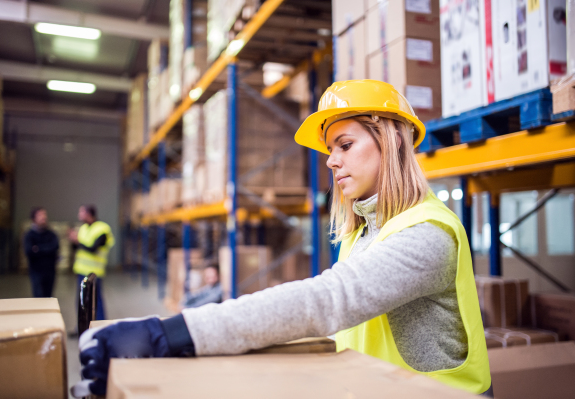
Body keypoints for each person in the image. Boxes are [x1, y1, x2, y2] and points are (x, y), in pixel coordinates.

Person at [72, 80, 492, 398]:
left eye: (345, 144)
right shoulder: (363, 234)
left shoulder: (427, 235)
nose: (331, 160)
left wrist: (173, 334)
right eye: (330, 149)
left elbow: (328, 301)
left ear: (391, 140)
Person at [69, 205, 114, 321]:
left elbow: (94, 248)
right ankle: (82, 325)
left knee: (95, 300)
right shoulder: (83, 228)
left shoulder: (102, 229)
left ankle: (99, 325)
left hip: (94, 272)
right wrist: (73, 241)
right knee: (81, 300)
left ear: (89, 214)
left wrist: (77, 242)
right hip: (81, 270)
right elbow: (78, 247)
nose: (79, 215)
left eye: (81, 212)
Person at [24, 207, 59, 298]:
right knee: (38, 296)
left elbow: (55, 247)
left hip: (50, 270)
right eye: (40, 215)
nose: (43, 217)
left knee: (48, 296)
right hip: (36, 271)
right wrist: (46, 249)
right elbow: (29, 251)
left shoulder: (51, 234)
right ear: (33, 219)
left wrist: (38, 248)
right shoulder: (29, 235)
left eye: (44, 214)